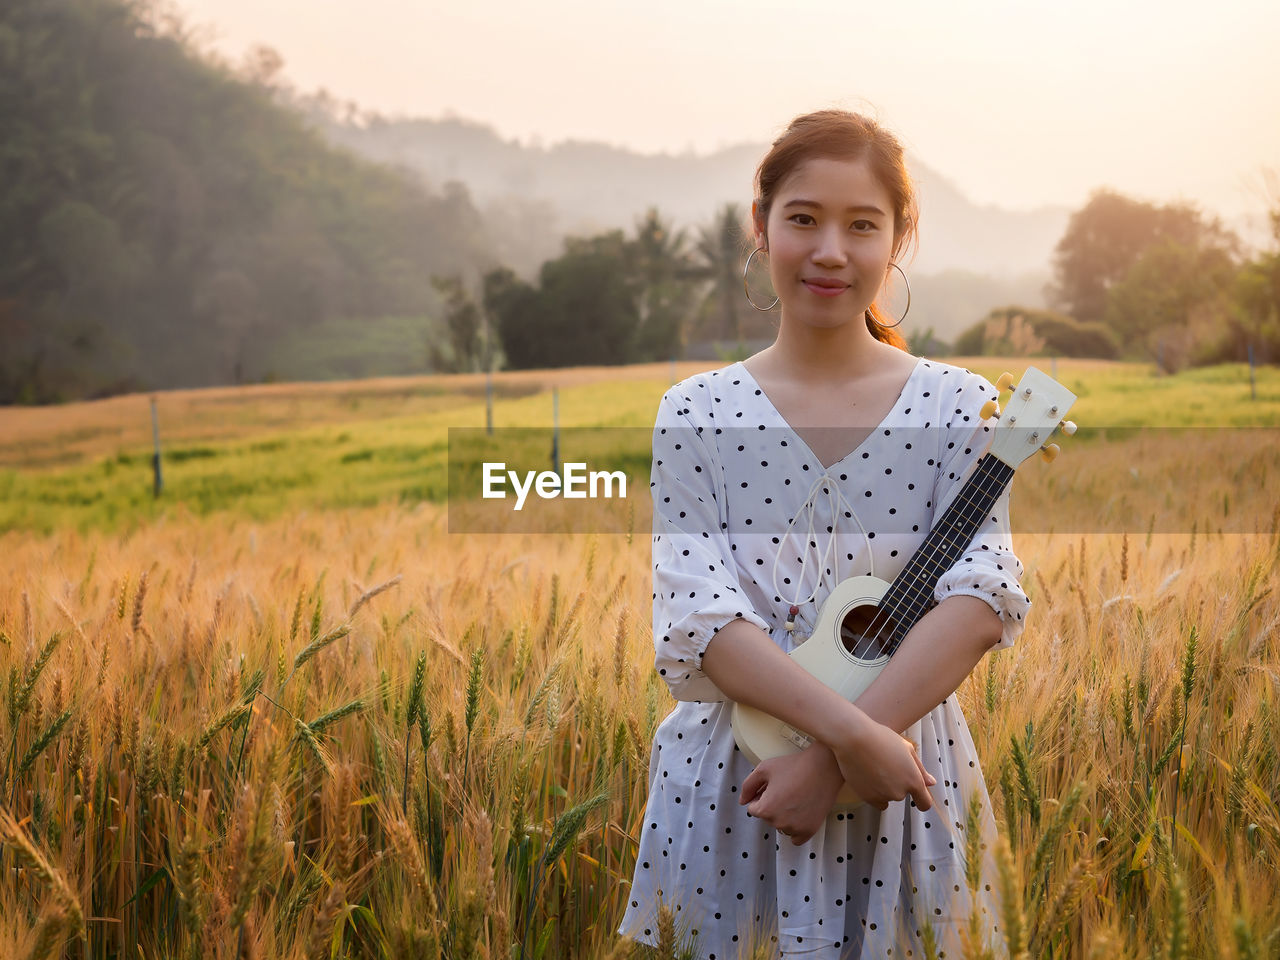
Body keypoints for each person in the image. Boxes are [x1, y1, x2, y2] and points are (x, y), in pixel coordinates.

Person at [617, 109, 1029, 959]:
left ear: (899, 238)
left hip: (900, 792)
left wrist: (841, 762)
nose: (831, 250)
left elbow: (981, 597)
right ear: (759, 226)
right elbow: (701, 621)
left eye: (862, 225)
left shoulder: (958, 406)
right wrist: (848, 744)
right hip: (744, 788)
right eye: (803, 218)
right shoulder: (695, 413)